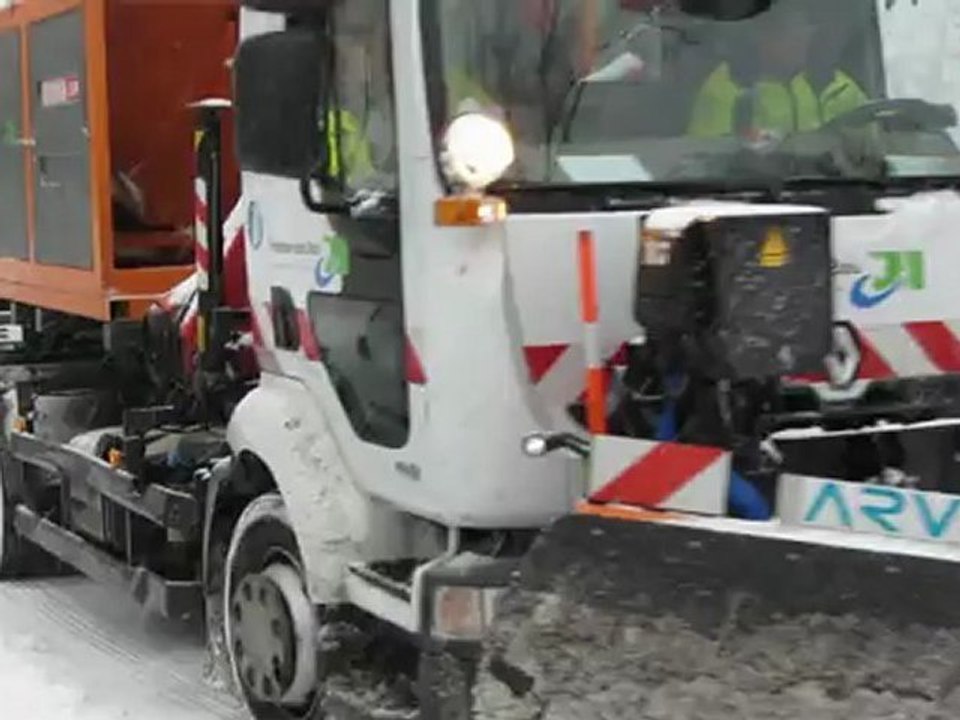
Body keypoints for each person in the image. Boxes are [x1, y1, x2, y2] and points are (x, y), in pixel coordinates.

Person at [687, 1, 869, 138]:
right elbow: (708, 162)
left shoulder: (837, 86)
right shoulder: (726, 88)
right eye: (788, 32)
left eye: (804, 29)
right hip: (755, 186)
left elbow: (875, 148)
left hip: (839, 186)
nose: (801, 40)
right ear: (761, 37)